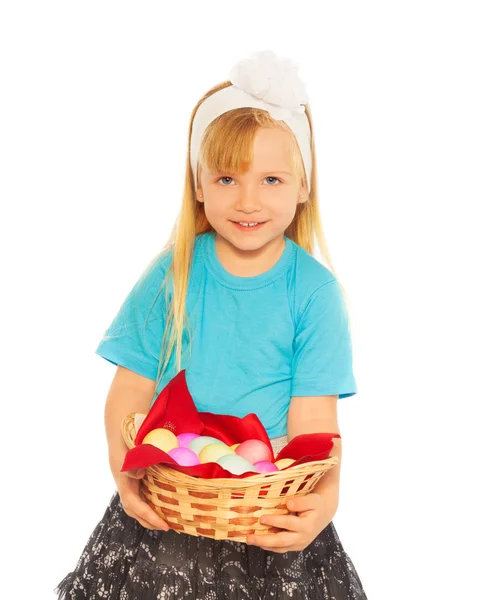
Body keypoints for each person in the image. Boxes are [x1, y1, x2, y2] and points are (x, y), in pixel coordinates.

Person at [54, 50, 368, 599]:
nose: (248, 200)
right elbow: (129, 388)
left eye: (271, 179)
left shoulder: (314, 294)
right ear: (199, 184)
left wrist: (326, 500)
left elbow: (317, 428)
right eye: (226, 178)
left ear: (303, 187)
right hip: (171, 505)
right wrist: (122, 469)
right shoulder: (174, 272)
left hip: (267, 506)